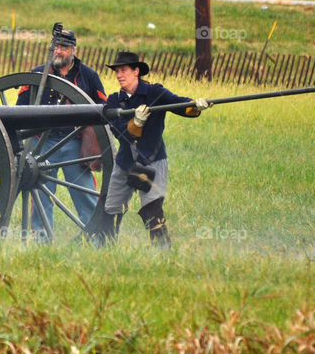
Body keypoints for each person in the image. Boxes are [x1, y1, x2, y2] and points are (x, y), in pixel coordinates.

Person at [98, 51, 210, 248]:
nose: (119, 75)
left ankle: (163, 252)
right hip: (126, 163)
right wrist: (136, 122)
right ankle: (106, 251)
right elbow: (120, 132)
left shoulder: (154, 93)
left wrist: (196, 106)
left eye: (123, 70)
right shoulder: (114, 101)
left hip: (153, 160)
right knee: (111, 210)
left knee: (152, 209)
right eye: (117, 71)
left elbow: (180, 105)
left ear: (136, 71)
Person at [16, 28, 106, 239]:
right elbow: (20, 107)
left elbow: (102, 106)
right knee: (41, 197)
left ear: (73, 50)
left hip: (74, 143)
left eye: (63, 47)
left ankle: (96, 238)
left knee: (85, 193)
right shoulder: (37, 73)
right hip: (42, 144)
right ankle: (41, 241)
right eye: (55, 46)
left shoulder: (89, 76)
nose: (58, 51)